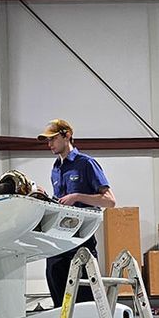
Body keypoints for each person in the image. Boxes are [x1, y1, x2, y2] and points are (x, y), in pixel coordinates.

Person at [40, 118, 115, 306]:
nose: (49, 144)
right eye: (47, 140)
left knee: (84, 303)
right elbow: (62, 203)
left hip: (81, 241)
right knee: (59, 300)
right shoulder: (56, 169)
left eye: (53, 139)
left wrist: (78, 196)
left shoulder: (86, 164)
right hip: (58, 242)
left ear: (67, 136)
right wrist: (44, 198)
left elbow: (110, 201)